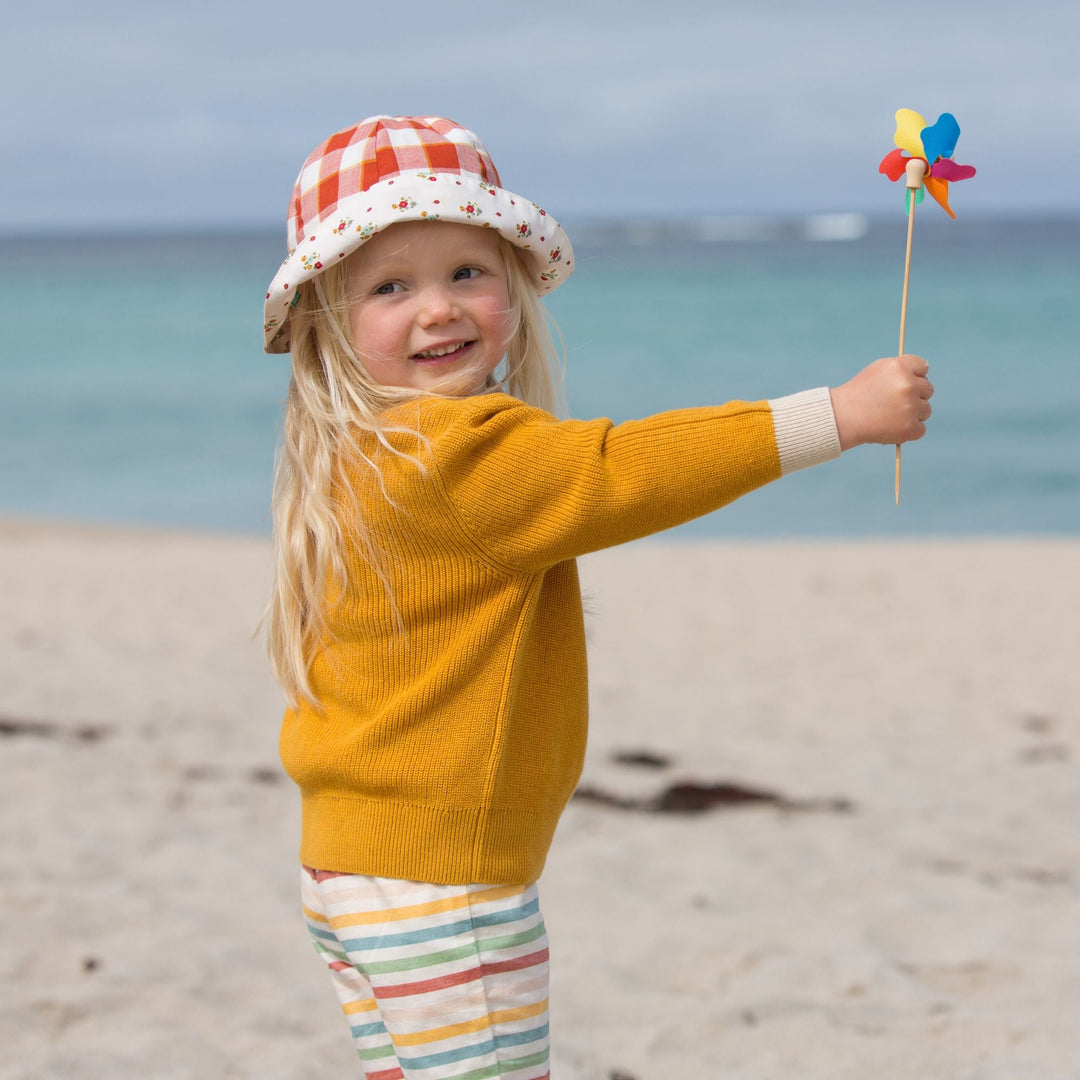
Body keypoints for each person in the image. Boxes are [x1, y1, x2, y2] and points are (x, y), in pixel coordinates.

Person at [262, 115, 933, 1079]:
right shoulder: (453, 455)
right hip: (442, 885)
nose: (438, 308)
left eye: (466, 271)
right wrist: (839, 414)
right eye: (390, 286)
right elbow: (623, 471)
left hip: (354, 864)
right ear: (328, 320)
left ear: (514, 286)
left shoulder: (363, 451)